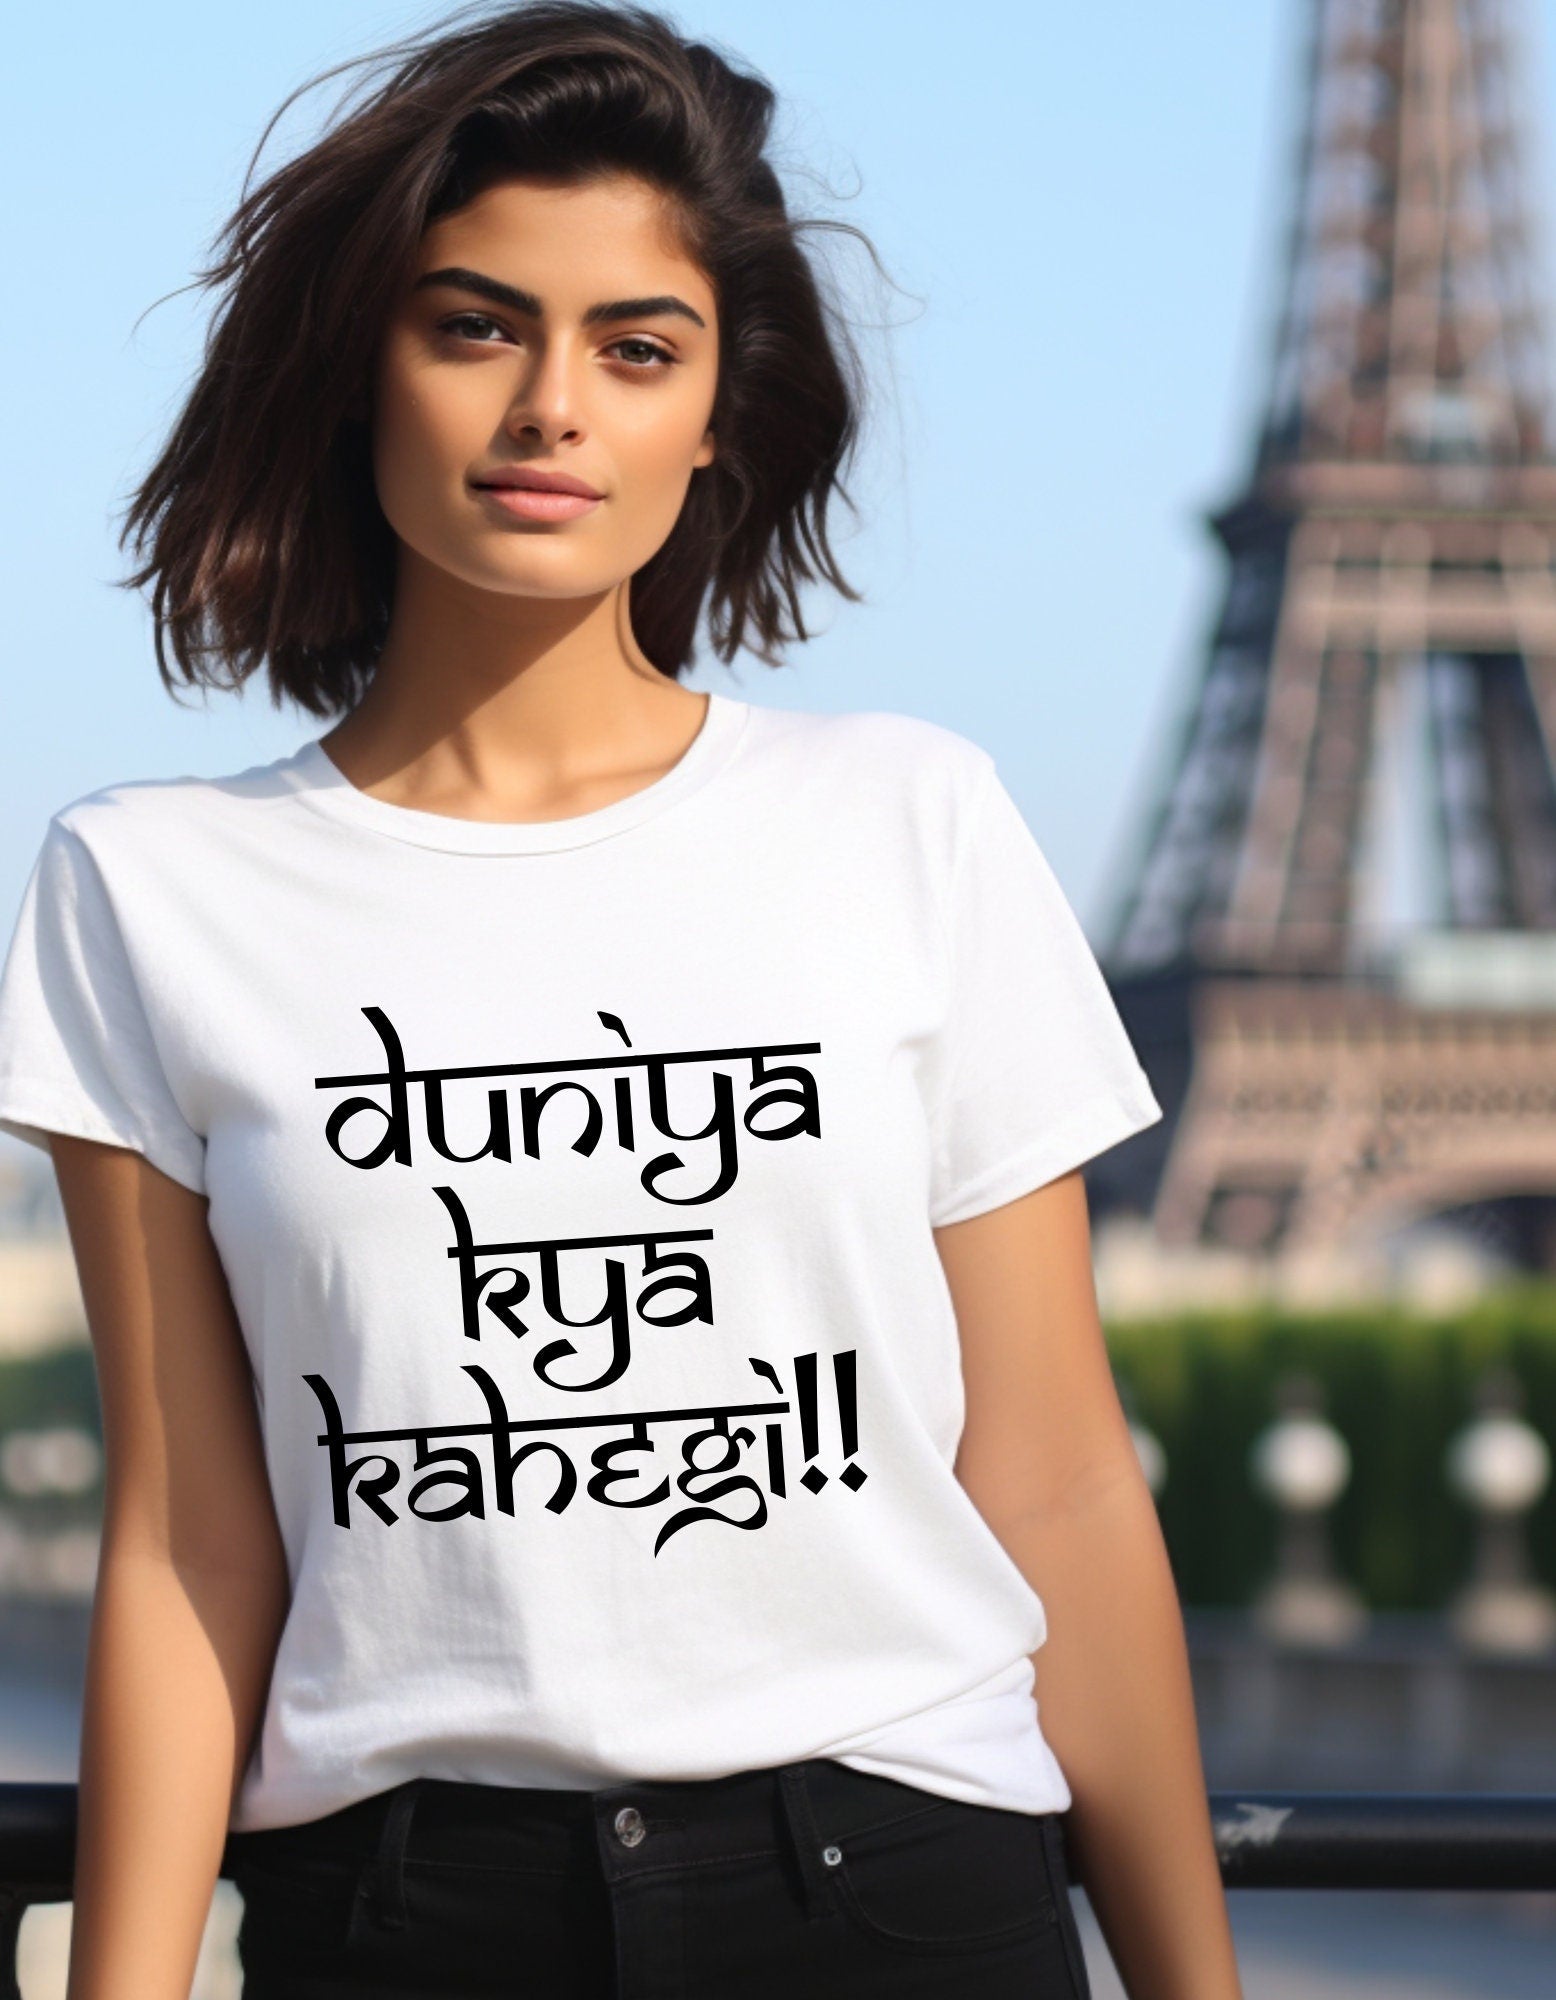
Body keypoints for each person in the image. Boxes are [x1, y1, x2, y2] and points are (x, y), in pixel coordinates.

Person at [0, 3, 1245, 1995]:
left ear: (715, 418)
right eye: (474, 325)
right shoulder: (147, 889)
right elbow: (183, 1546)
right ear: (356, 373)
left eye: (635, 347)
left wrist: (1197, 1987)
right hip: (409, 1918)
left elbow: (1063, 1476)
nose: (550, 407)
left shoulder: (904, 818)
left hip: (898, 1891)